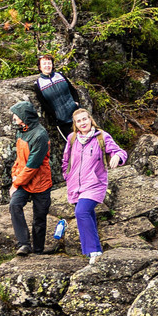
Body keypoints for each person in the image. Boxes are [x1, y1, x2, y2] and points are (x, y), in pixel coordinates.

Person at [61, 108, 128, 259]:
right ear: (75, 124)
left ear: (90, 119)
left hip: (95, 184)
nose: (82, 123)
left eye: (85, 119)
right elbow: (65, 160)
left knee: (81, 212)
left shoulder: (102, 137)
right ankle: (95, 250)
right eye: (79, 121)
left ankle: (93, 252)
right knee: (88, 215)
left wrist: (117, 157)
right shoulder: (72, 138)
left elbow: (120, 152)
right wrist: (67, 176)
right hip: (75, 185)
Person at [7, 100, 54, 255]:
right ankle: (24, 244)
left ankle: (38, 251)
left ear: (24, 116)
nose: (14, 117)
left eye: (16, 114)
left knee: (39, 218)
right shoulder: (21, 130)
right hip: (23, 181)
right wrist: (14, 175)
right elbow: (19, 159)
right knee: (14, 205)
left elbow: (33, 166)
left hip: (41, 183)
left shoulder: (40, 135)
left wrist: (16, 184)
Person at [32, 53, 83, 137]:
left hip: (77, 113)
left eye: (49, 63)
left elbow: (73, 90)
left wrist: (76, 102)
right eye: (44, 64)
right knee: (73, 141)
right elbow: (44, 104)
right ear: (40, 67)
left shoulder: (60, 76)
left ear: (52, 65)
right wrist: (55, 115)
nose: (47, 66)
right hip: (62, 120)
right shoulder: (38, 84)